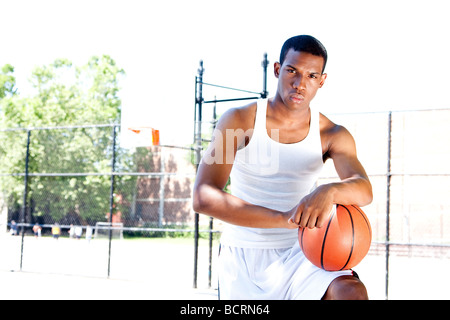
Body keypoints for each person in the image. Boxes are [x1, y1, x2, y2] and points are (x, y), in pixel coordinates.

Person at [193, 35, 373, 300]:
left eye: (312, 76)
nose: (300, 84)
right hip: (243, 252)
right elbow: (202, 196)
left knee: (350, 292)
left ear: (321, 81)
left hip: (301, 252)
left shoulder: (332, 134)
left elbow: (364, 189)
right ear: (278, 70)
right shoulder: (239, 119)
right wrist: (283, 218)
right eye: (292, 71)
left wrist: (330, 191)